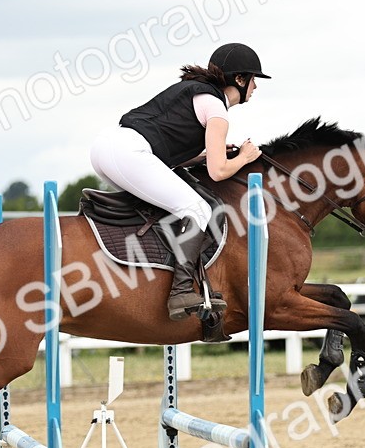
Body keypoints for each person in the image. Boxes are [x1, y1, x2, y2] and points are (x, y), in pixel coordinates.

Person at [89, 42, 269, 320]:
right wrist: (245, 157)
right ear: (240, 79)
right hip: (128, 152)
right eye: (254, 79)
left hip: (108, 147)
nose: (256, 87)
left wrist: (198, 158)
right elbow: (219, 172)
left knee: (167, 204)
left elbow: (169, 147)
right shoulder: (217, 110)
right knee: (198, 210)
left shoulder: (193, 92)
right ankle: (181, 291)